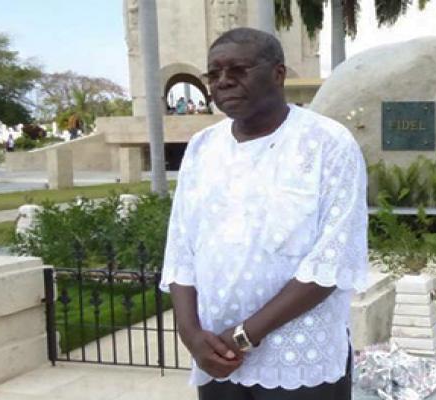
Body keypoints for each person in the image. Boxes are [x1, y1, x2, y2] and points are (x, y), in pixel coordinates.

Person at [160, 27, 368, 400]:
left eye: (238, 69)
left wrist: (244, 335)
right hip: (217, 358)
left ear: (278, 73)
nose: (224, 82)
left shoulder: (327, 143)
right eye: (215, 73)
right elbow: (180, 249)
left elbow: (331, 261)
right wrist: (191, 335)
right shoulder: (201, 148)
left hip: (300, 358)